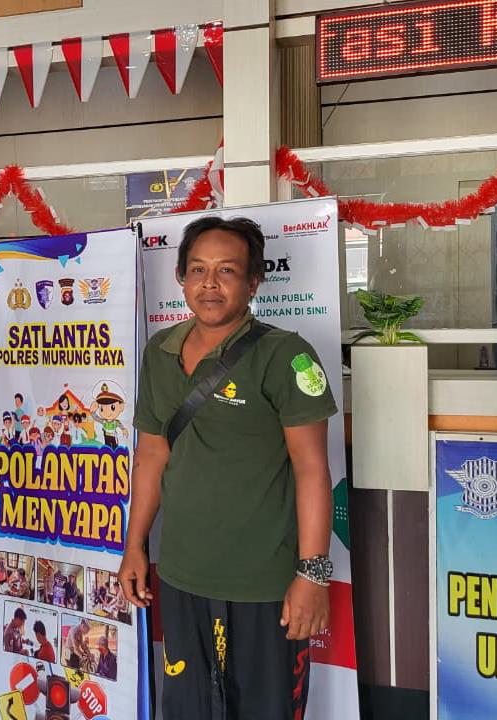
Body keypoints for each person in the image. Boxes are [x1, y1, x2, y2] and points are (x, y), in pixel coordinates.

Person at [118, 216, 336, 720]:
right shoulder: (160, 353)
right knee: (187, 710)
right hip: (182, 575)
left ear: (254, 282)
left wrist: (312, 575)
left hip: (263, 584)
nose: (209, 284)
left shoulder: (286, 356)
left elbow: (311, 469)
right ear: (181, 278)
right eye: (198, 269)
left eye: (227, 271)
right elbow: (151, 455)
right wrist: (134, 546)